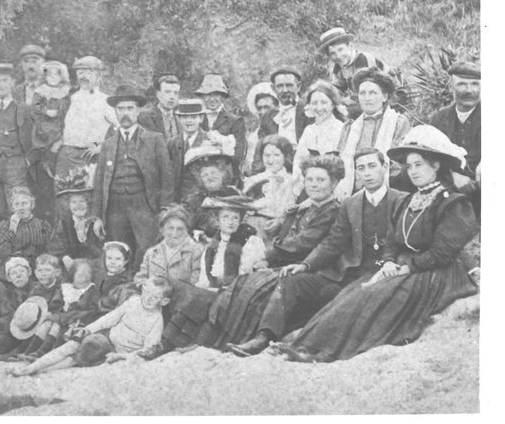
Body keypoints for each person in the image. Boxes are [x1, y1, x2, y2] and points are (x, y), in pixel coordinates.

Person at [277, 126, 478, 362]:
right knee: (354, 292)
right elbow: (393, 240)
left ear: (436, 165)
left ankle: (328, 352)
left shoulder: (454, 203)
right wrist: (389, 261)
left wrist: (405, 268)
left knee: (378, 296)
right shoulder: (409, 200)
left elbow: (442, 253)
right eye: (409, 166)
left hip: (437, 273)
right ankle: (308, 345)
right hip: (406, 266)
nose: (413, 171)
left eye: (419, 164)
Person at [251, 148, 407, 359]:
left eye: (372, 166)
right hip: (353, 272)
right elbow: (333, 242)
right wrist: (305, 265)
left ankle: (312, 350)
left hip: (387, 273)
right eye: (361, 168)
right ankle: (264, 336)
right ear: (356, 174)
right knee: (293, 279)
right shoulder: (351, 203)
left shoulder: (402, 200)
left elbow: (408, 241)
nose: (367, 173)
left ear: (385, 168)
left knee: (346, 303)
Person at [203, 155, 343, 355]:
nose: (313, 185)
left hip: (321, 271)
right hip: (295, 264)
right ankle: (233, 336)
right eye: (309, 180)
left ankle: (264, 336)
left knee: (281, 281)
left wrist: (268, 257)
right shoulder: (306, 208)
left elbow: (305, 242)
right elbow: (287, 238)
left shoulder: (332, 211)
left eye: (320, 180)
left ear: (334, 183)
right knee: (249, 281)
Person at [10, 278, 170, 377]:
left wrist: (122, 357)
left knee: (82, 355)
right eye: (146, 291)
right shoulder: (134, 301)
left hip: (119, 352)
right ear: (142, 289)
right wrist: (88, 329)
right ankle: (32, 368)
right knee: (76, 342)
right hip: (107, 338)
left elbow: (149, 349)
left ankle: (41, 371)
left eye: (155, 296)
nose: (148, 298)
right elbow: (109, 318)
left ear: (163, 301)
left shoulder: (156, 320)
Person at [92, 85, 175, 267]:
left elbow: (167, 179)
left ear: (138, 110)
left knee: (147, 252)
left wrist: (165, 211)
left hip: (144, 207)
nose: (125, 113)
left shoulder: (155, 139)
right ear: (115, 112)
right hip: (115, 209)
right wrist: (97, 217)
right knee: (117, 253)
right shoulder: (108, 144)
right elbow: (99, 183)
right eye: (121, 109)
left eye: (130, 108)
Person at [336, 67, 411, 198]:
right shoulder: (350, 126)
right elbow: (340, 161)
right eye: (362, 93)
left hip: (389, 189)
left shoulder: (398, 122)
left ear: (384, 96)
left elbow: (399, 162)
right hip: (352, 191)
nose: (367, 98)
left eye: (372, 93)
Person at [0, 63, 33, 225]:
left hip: (15, 162)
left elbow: (34, 132)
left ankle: (18, 242)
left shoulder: (24, 108)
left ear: (13, 83)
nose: (1, 85)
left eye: (5, 80)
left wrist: (28, 158)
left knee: (17, 203)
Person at [429, 60, 481, 220]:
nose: (469, 90)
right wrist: (453, 175)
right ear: (451, 87)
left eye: (475, 84)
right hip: (450, 184)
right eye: (462, 84)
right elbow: (430, 155)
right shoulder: (439, 118)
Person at [55, 56, 117, 185]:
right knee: (65, 194)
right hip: (68, 156)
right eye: (80, 72)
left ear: (98, 76)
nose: (84, 76)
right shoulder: (69, 99)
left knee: (91, 195)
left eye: (89, 72)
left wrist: (101, 146)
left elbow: (120, 129)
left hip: (91, 156)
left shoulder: (106, 101)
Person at [27, 60, 71, 222]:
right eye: (49, 74)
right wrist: (46, 111)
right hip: (43, 130)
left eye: (56, 73)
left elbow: (69, 112)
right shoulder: (41, 91)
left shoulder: (65, 93)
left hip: (59, 130)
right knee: (42, 177)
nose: (53, 77)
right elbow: (34, 109)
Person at [243, 135, 301, 244]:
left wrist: (280, 221)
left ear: (285, 156)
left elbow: (293, 210)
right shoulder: (253, 180)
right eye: (267, 155)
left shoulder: (293, 181)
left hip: (278, 230)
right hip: (252, 225)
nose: (271, 160)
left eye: (276, 155)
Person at [200, 195, 267, 289]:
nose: (230, 222)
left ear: (240, 220)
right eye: (225, 217)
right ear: (218, 220)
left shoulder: (253, 243)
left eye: (235, 218)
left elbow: (260, 276)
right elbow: (204, 280)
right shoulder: (211, 248)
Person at [318, 27, 386, 118]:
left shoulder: (363, 59)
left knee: (344, 113)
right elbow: (337, 87)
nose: (338, 56)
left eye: (340, 50)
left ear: (349, 46)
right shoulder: (339, 66)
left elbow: (370, 88)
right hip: (363, 98)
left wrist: (346, 100)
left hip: (386, 96)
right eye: (332, 53)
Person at [46, 167, 105, 273]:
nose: (78, 206)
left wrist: (85, 240)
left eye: (82, 201)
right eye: (73, 202)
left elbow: (102, 254)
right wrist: (64, 257)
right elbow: (54, 249)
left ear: (88, 202)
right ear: (68, 205)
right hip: (70, 271)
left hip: (94, 270)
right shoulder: (64, 224)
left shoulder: (97, 223)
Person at [180, 133, 240, 235]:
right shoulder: (193, 200)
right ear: (200, 178)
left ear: (222, 173)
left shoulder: (233, 193)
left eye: (213, 172)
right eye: (205, 175)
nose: (210, 177)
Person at [0, 186, 53, 277]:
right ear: (12, 207)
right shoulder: (4, 226)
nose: (21, 208)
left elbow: (49, 251)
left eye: (24, 203)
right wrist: (12, 230)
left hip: (37, 270)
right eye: (17, 204)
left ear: (32, 204)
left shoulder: (43, 225)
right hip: (13, 271)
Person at [135, 205, 204, 287]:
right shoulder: (152, 253)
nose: (174, 234)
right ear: (162, 230)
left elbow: (196, 285)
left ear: (187, 230)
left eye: (180, 229)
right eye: (170, 228)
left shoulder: (197, 251)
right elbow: (140, 279)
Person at [195, 74, 247, 169]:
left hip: (227, 173)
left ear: (223, 97)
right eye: (208, 94)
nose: (212, 99)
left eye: (216, 94)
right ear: (202, 96)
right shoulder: (196, 120)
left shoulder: (235, 122)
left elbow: (238, 156)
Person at [293, 80, 346, 170]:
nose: (319, 108)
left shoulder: (341, 129)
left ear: (332, 104)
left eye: (324, 102)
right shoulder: (309, 131)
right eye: (314, 103)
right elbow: (298, 163)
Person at [167, 99, 208, 201]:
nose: (189, 121)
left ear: (201, 118)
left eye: (193, 117)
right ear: (179, 119)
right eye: (185, 117)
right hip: (177, 199)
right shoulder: (171, 143)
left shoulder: (209, 141)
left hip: (202, 199)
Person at [257, 68, 312, 145]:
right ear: (273, 88)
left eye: (289, 85)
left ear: (298, 86)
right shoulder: (268, 116)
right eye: (279, 86)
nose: (285, 90)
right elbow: (262, 146)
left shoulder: (309, 111)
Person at [244, 83, 277, 174]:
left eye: (267, 107)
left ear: (276, 107)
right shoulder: (253, 137)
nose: (263, 112)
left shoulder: (286, 128)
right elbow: (251, 164)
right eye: (259, 108)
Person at [140, 74, 183, 142]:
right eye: (167, 92)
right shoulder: (146, 117)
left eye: (175, 93)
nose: (172, 97)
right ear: (158, 94)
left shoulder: (180, 119)